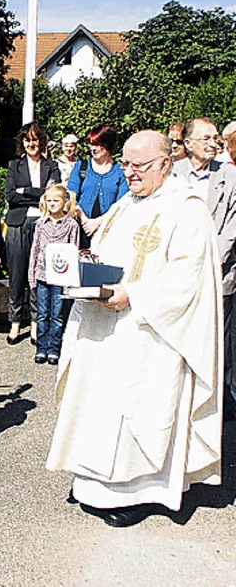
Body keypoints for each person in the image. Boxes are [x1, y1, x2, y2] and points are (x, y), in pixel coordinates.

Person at [47, 130, 222, 528]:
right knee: (96, 403)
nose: (129, 173)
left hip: (151, 334)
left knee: (136, 411)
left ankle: (137, 492)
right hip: (105, 323)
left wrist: (134, 294)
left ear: (165, 163)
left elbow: (187, 280)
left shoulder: (187, 209)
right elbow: (108, 248)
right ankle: (92, 482)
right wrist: (86, 269)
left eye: (138, 165)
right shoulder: (128, 202)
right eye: (125, 164)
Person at [173, 117, 236, 419]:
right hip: (176, 274)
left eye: (216, 139)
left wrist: (208, 261)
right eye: (207, 138)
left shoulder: (229, 175)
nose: (215, 144)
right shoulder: (172, 174)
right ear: (188, 144)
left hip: (217, 272)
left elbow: (232, 229)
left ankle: (218, 405)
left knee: (218, 344)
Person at [4, 122, 61, 345]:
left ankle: (37, 323)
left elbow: (53, 195)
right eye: (27, 140)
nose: (31, 144)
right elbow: (10, 196)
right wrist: (37, 193)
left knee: (38, 275)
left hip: (44, 224)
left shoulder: (52, 166)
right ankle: (15, 322)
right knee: (17, 273)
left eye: (35, 139)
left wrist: (25, 191)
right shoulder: (13, 166)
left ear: (41, 141)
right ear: (22, 143)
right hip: (18, 224)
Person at [28, 185, 79, 365]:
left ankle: (54, 348)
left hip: (61, 277)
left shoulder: (72, 225)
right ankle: (41, 347)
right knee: (42, 313)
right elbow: (35, 249)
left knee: (57, 314)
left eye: (56, 201)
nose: (52, 204)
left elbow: (74, 250)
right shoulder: (40, 224)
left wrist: (70, 280)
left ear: (65, 202)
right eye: (49, 201)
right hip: (42, 275)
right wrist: (31, 274)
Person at [67, 124, 128, 247]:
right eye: (91, 144)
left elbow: (122, 204)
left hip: (108, 232)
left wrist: (98, 223)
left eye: (98, 144)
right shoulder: (80, 167)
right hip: (80, 230)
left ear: (108, 145)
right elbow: (71, 197)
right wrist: (84, 220)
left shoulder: (121, 172)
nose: (93, 148)